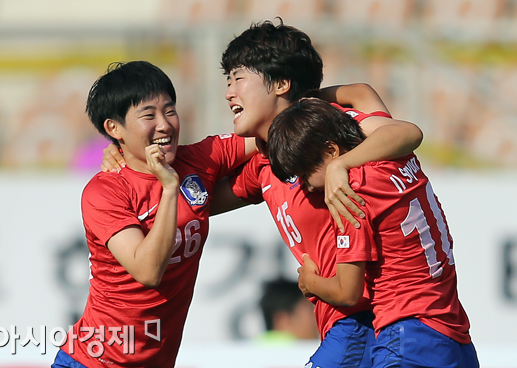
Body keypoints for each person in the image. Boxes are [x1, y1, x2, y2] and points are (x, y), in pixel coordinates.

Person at [101, 20, 423, 367]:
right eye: (228, 81)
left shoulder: (336, 136)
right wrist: (132, 160)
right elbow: (194, 205)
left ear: (280, 84)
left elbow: (400, 129)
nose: (228, 92)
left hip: (373, 321)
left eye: (238, 78)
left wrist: (335, 159)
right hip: (343, 323)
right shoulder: (264, 163)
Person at [51, 61, 257, 368]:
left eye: (170, 110)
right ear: (113, 128)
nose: (165, 124)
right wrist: (170, 188)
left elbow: (271, 132)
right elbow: (148, 271)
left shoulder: (199, 159)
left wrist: (348, 100)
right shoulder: (105, 192)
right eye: (149, 115)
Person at [266, 98, 480, 368]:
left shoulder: (349, 193)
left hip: (407, 340)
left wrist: (310, 282)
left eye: (305, 173)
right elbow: (366, 96)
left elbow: (347, 292)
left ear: (331, 151)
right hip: (454, 336)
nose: (305, 186)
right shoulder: (398, 155)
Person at [258, 278, 319, 342]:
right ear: (282, 319)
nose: (318, 318)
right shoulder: (299, 350)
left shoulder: (252, 347)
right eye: (311, 311)